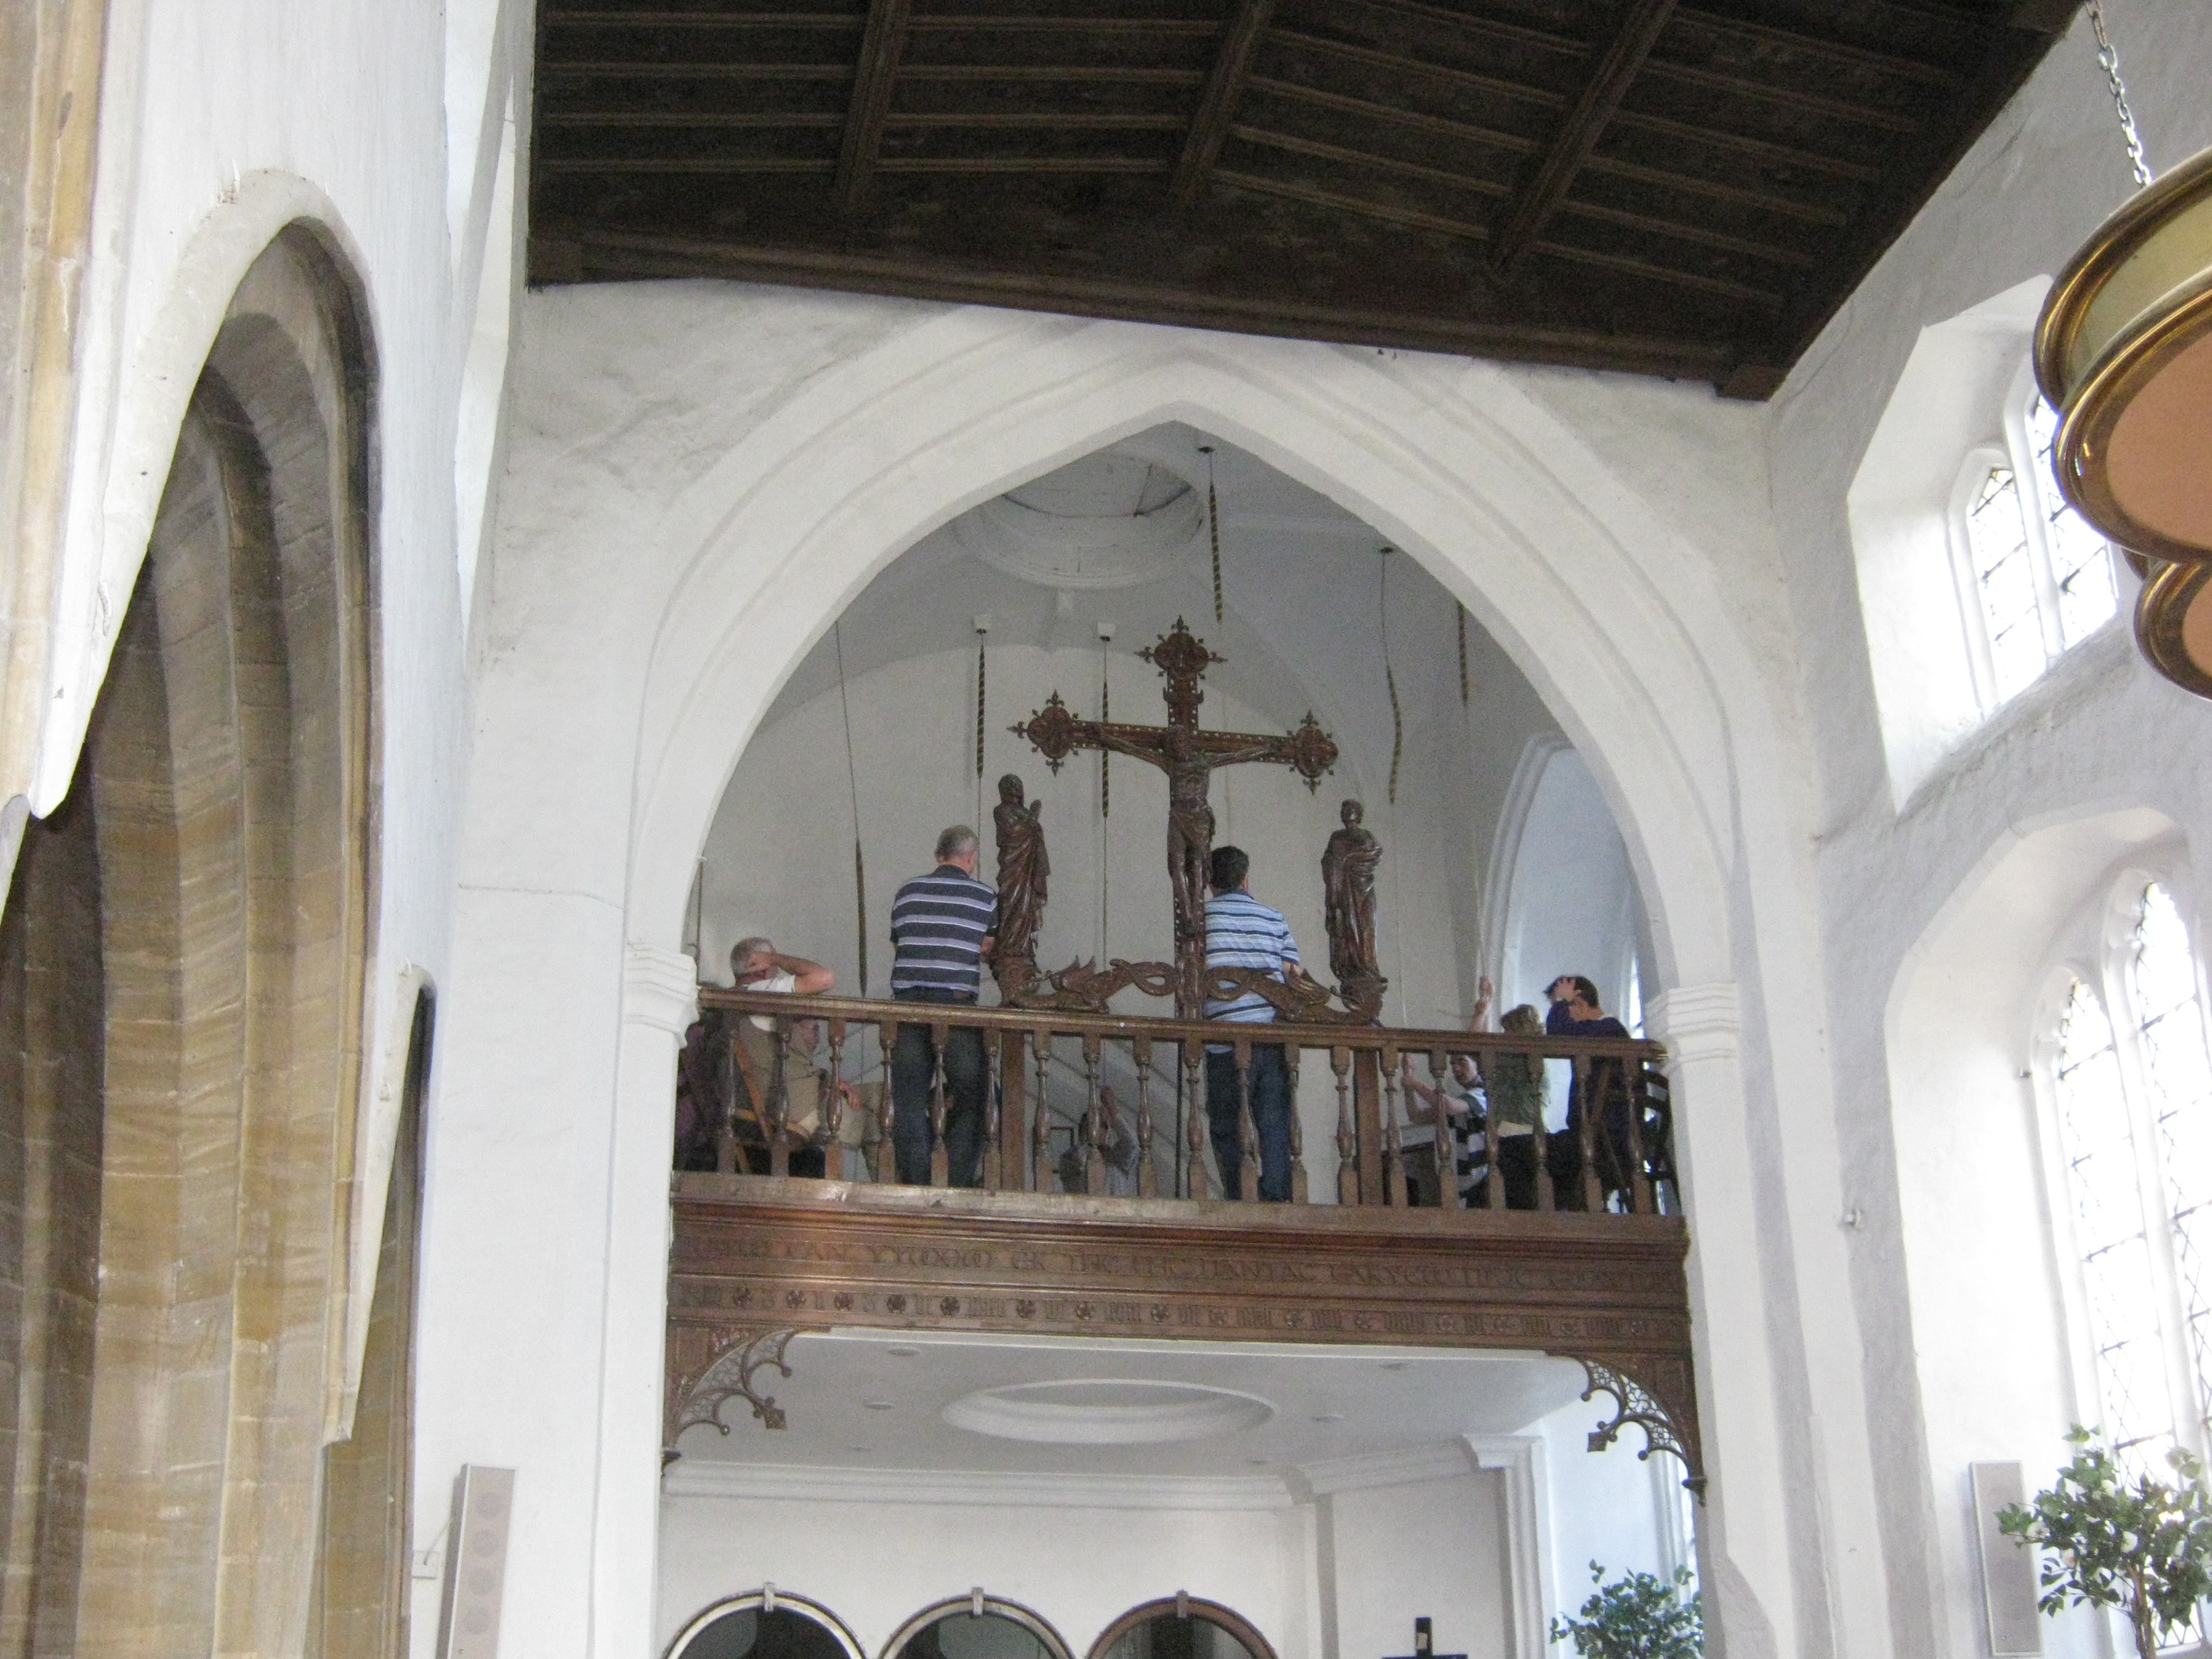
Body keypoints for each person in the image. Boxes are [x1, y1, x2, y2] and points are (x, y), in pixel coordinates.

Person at [888, 826, 998, 1186]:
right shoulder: (985, 898)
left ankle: (919, 1180)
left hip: (906, 1007)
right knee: (979, 1094)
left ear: (938, 854)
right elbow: (988, 947)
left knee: (907, 1097)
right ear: (971, 858)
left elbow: (901, 941)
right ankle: (955, 1179)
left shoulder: (907, 892)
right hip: (955, 1007)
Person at [1202, 844, 1306, 1201]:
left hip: (1223, 1040)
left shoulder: (1199, 919)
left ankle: (1239, 1194)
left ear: (1209, 881)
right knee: (1274, 1122)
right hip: (1269, 1038)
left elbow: (1190, 982)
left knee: (1226, 1126)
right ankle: (1275, 1196)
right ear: (1246, 879)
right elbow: (1294, 976)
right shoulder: (1273, 917)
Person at [727, 937, 838, 1177]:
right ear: (760, 965)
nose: (778, 970)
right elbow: (823, 978)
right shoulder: (759, 993)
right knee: (877, 1112)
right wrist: (774, 959)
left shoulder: (732, 1000)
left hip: (779, 1104)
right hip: (794, 1111)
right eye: (773, 962)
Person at [1545, 972, 1635, 1207]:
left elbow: (1557, 1036)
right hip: (1597, 1135)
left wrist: (1562, 1001)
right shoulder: (1604, 1031)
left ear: (1581, 1004)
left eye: (1567, 1008)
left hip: (1608, 1139)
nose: (1564, 1014)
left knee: (1522, 1154)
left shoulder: (1607, 1031)